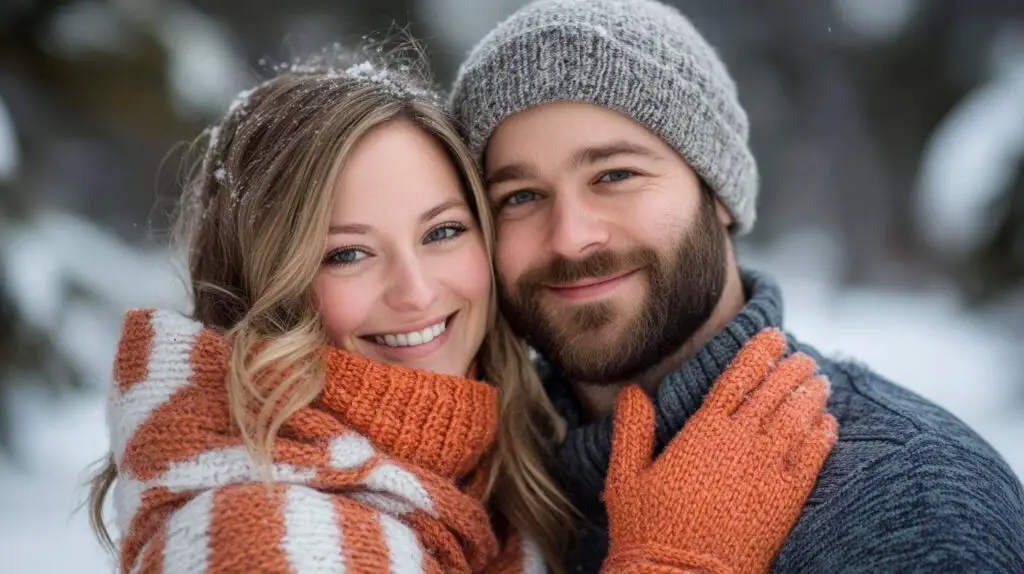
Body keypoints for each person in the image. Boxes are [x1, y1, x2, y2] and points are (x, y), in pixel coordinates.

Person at [85, 48, 836, 573]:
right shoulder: (265, 531)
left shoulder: (488, 472)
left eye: (443, 231)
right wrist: (675, 562)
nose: (416, 291)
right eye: (346, 252)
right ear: (260, 282)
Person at [449, 0, 1024, 571]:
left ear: (718, 193)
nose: (571, 237)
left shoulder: (905, 500)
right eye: (519, 197)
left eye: (616, 175)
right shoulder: (478, 493)